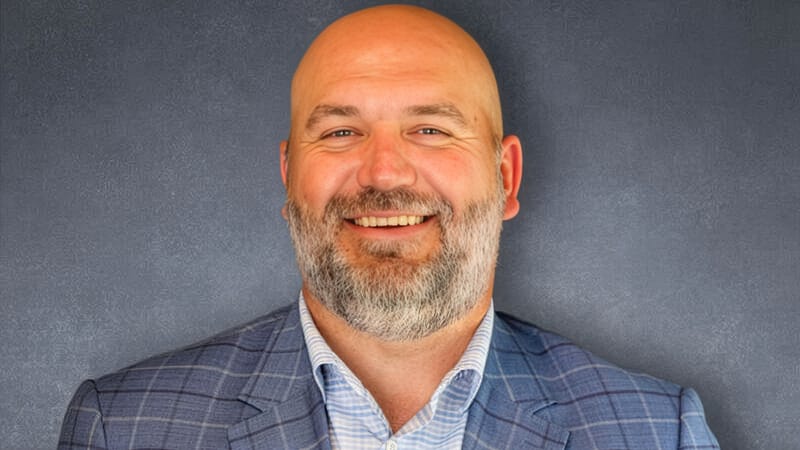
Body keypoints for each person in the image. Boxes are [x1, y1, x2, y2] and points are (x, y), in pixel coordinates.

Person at [59, 5, 719, 449]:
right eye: (340, 132)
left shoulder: (656, 432)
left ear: (507, 177)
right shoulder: (125, 427)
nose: (383, 173)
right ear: (289, 177)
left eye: (429, 130)